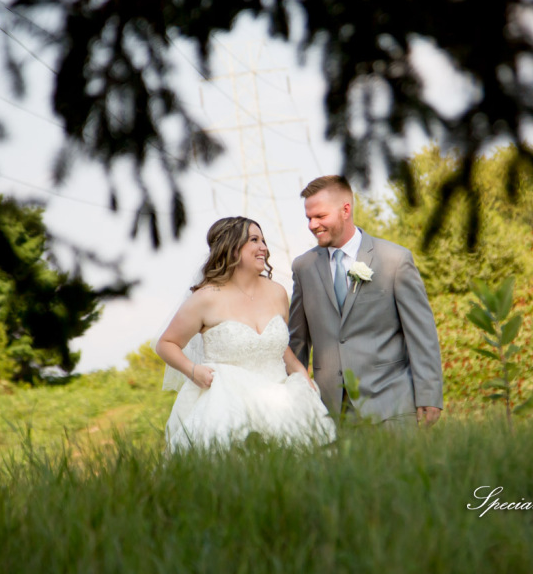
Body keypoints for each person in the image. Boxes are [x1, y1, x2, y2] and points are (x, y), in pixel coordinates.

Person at [156, 216, 337, 451]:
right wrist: (193, 371)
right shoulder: (205, 298)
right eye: (254, 240)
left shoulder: (277, 292)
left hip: (282, 402)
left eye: (263, 240)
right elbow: (166, 343)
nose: (264, 247)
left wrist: (305, 381)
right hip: (227, 403)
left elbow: (282, 351)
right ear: (231, 249)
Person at [288, 175, 444, 427]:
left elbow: (421, 333)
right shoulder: (303, 267)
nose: (312, 225)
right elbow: (297, 342)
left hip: (392, 404)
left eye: (320, 216)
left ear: (345, 210)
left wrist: (429, 394)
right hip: (329, 411)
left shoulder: (395, 259)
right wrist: (291, 398)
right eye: (309, 218)